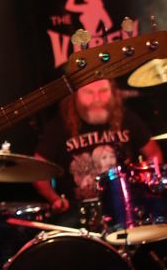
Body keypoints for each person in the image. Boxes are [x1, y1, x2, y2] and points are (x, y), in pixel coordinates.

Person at [33, 78, 163, 226]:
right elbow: (37, 171)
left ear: (113, 92)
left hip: (127, 202)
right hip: (80, 210)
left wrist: (147, 185)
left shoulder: (127, 118)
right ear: (74, 95)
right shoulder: (58, 127)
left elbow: (154, 154)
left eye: (103, 91)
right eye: (89, 93)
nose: (97, 99)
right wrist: (55, 199)